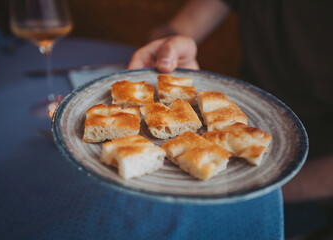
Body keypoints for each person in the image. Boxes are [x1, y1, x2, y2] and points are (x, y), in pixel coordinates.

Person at [127, 0, 333, 238]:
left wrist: (248, 187)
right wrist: (168, 49)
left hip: (302, 191)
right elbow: (178, 28)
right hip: (227, 134)